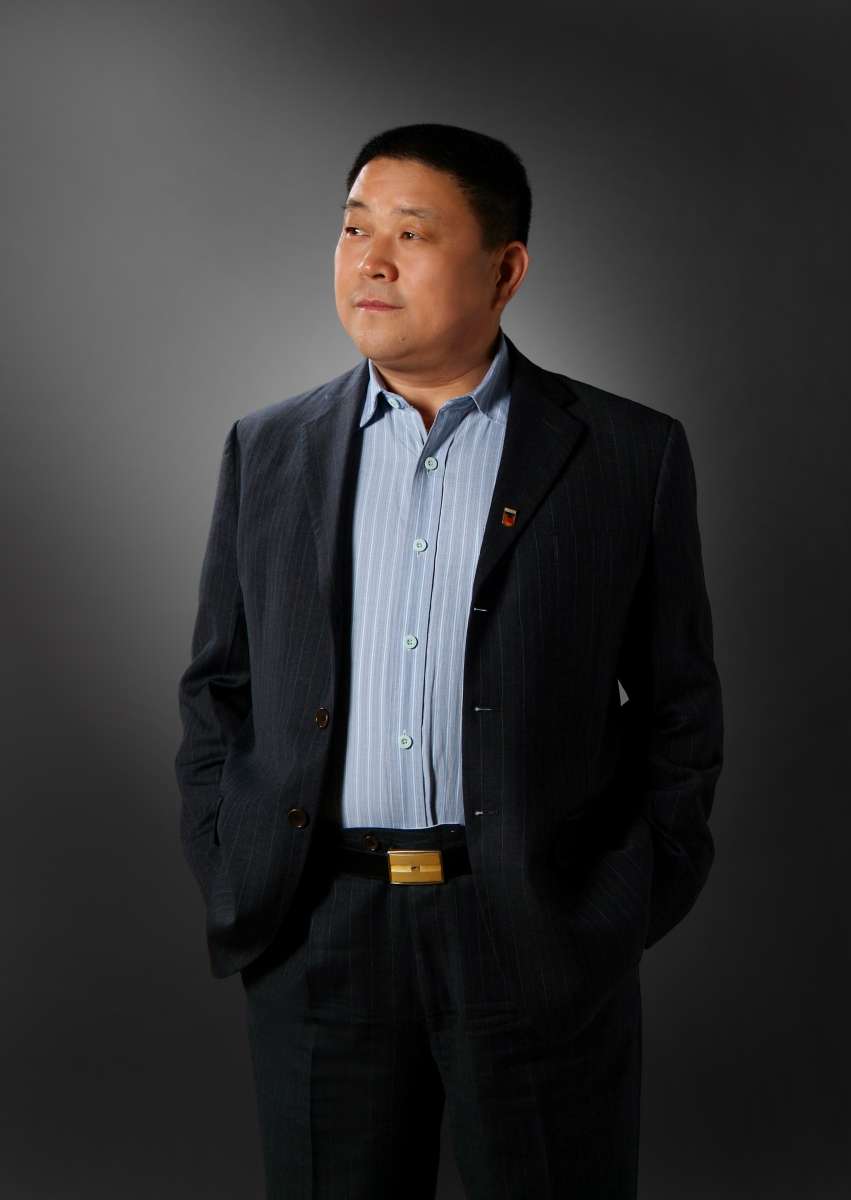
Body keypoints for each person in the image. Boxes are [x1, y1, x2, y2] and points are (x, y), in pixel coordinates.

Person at [175, 122, 725, 1199]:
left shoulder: (627, 454)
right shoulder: (270, 448)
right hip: (318, 929)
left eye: (412, 233)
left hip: (532, 927)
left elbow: (681, 708)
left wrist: (615, 903)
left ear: (505, 269)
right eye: (354, 230)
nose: (371, 261)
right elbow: (218, 690)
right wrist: (234, 864)